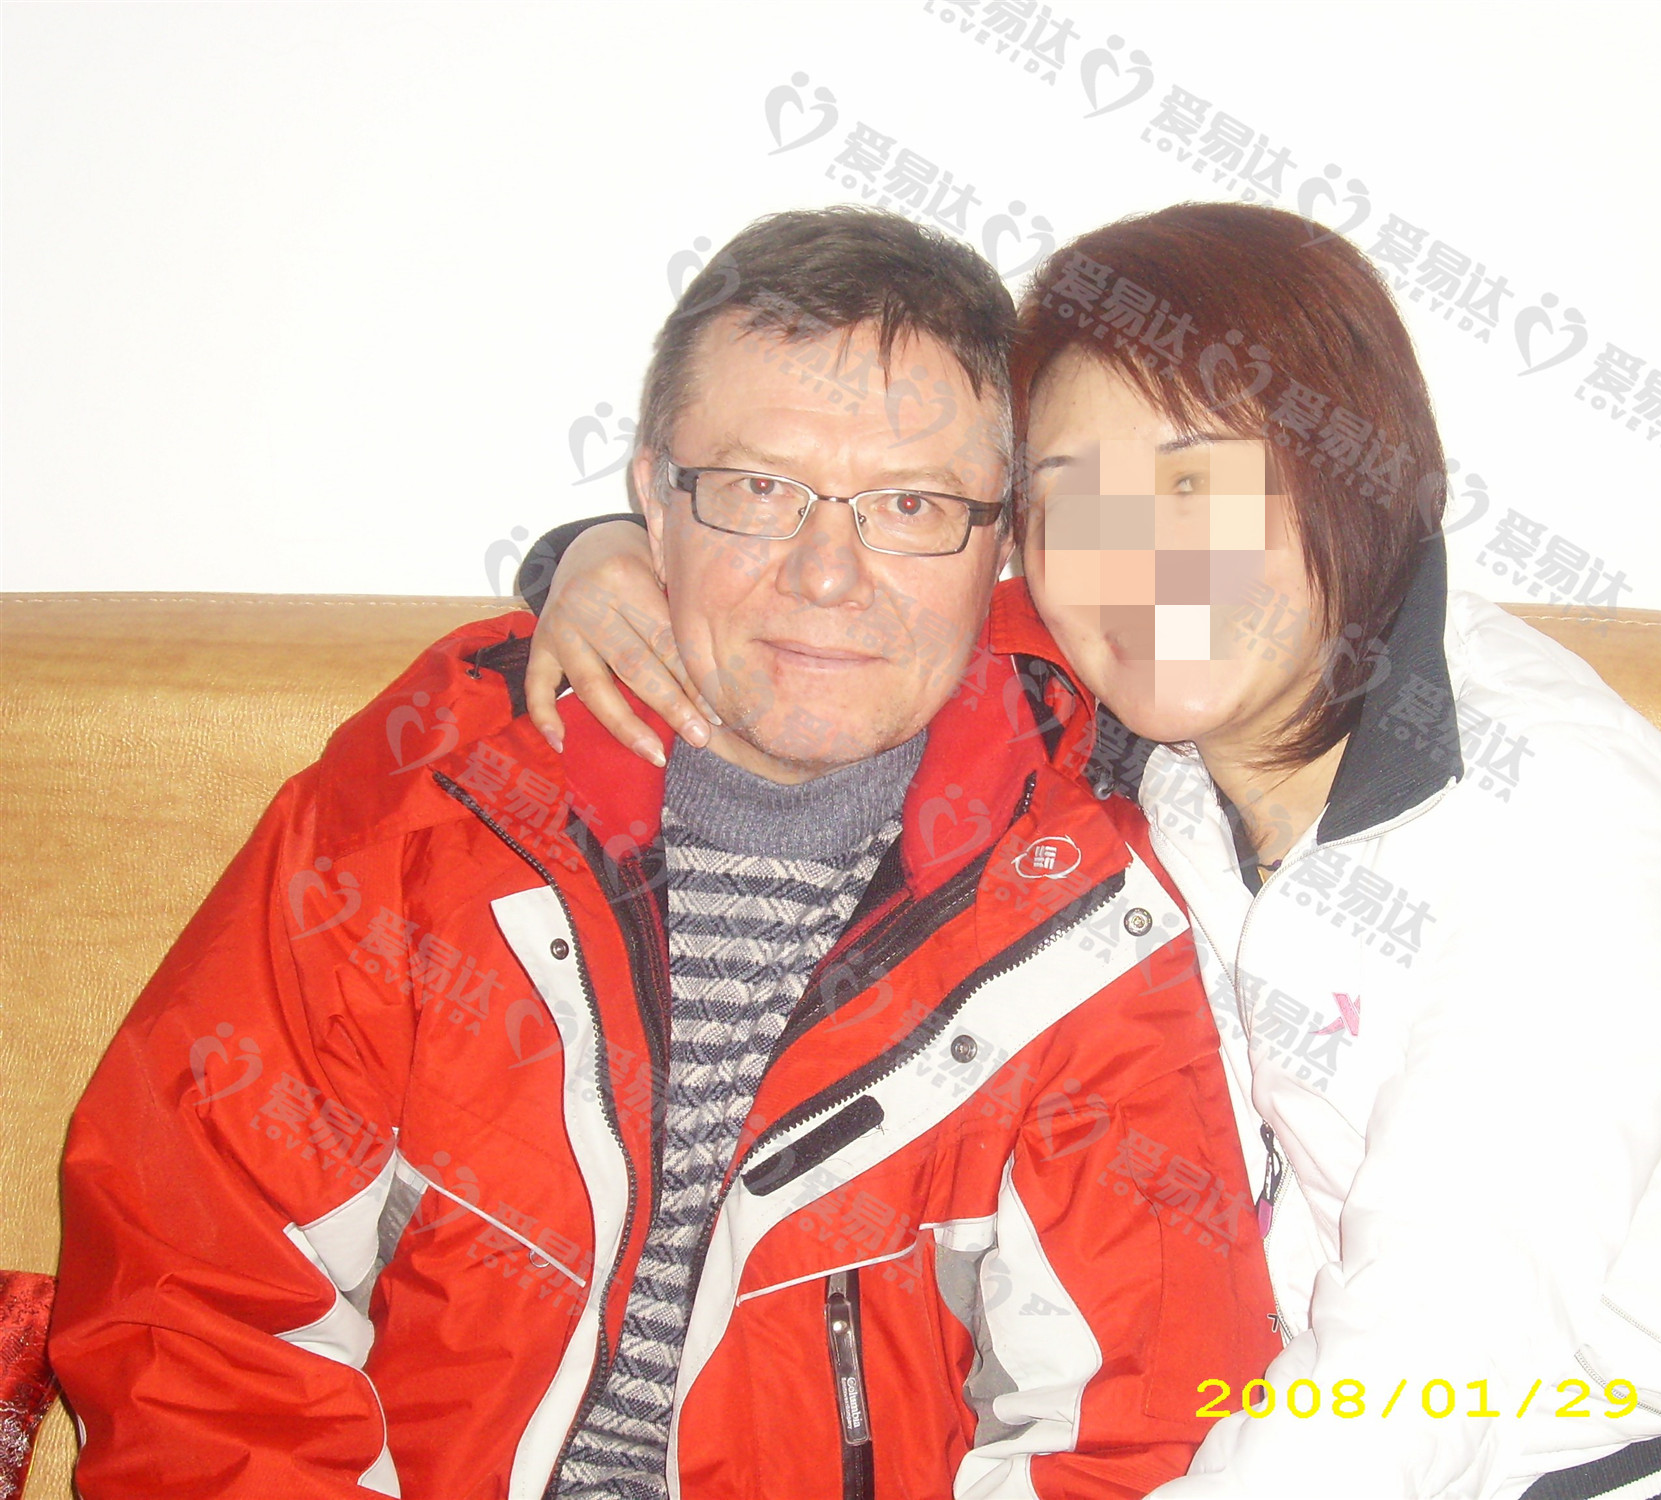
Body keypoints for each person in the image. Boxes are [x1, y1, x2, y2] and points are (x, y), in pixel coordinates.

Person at [524, 202, 1661, 1500]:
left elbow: (1427, 1369)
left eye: (1194, 486)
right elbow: (864, 615)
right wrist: (599, 556)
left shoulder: (1559, 823)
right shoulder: (1157, 716)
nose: (1138, 566)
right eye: (1074, 503)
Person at [48, 207, 1282, 1500]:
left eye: (912, 504)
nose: (827, 574)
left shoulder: (1088, 900)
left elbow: (1133, 1431)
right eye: (759, 490)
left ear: (1003, 542)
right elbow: (194, 1309)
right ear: (652, 497)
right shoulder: (429, 802)